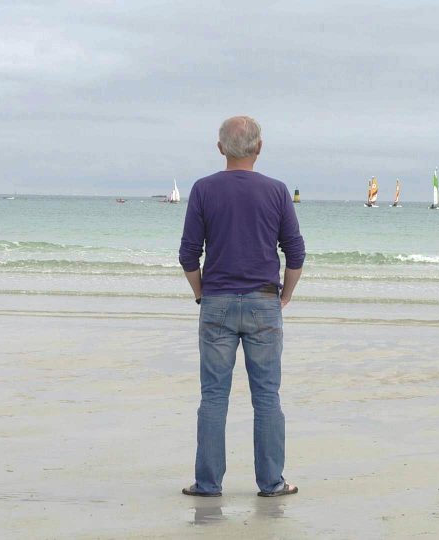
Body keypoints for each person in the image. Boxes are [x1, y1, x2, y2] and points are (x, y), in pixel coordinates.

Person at [178, 116, 305, 498]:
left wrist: (202, 294)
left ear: (220, 149)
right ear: (259, 147)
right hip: (263, 301)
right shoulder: (277, 190)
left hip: (216, 301)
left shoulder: (204, 189)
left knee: (213, 396)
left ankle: (207, 483)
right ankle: (271, 482)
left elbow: (188, 254)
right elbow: (295, 252)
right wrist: (286, 296)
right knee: (267, 395)